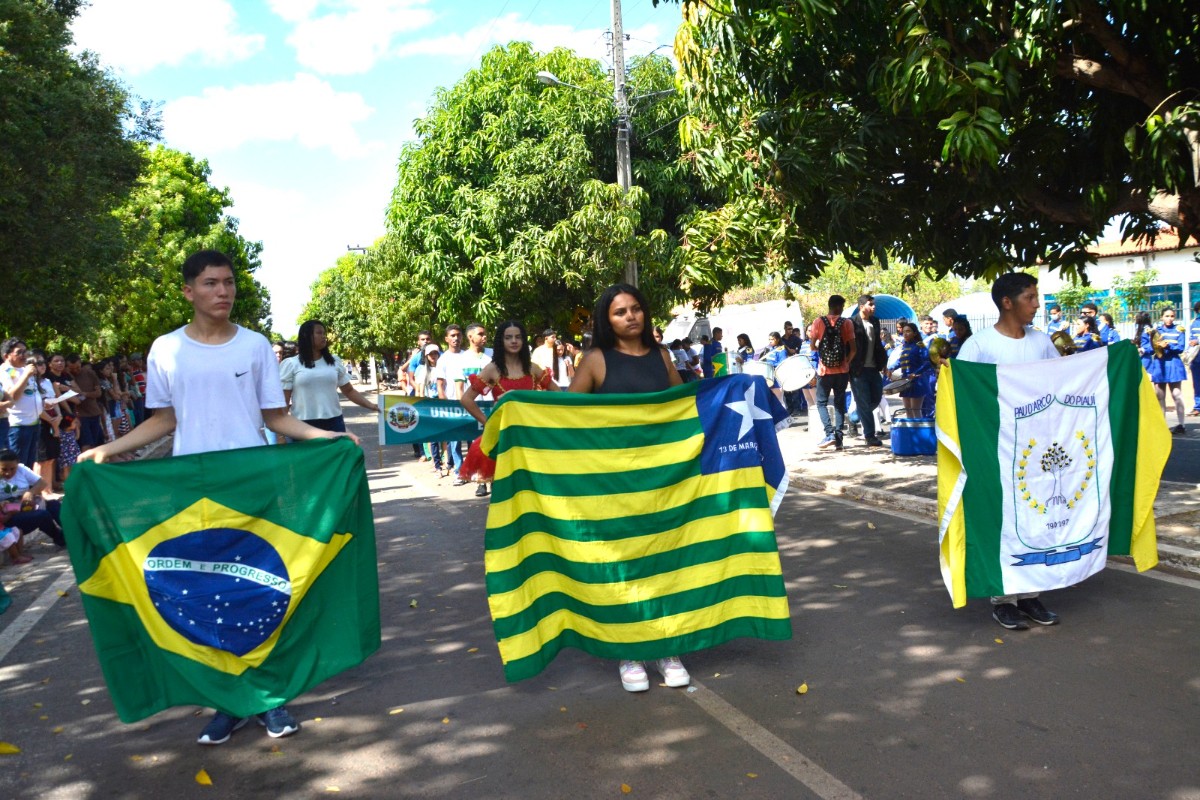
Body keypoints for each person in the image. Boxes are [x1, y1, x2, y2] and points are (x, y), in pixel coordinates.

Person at [77, 249, 360, 746]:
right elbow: (163, 420)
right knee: (207, 600)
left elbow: (275, 416)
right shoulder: (165, 349)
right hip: (192, 496)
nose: (222, 291)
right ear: (189, 291)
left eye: (228, 283)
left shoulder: (253, 347)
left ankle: (270, 698)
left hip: (254, 490)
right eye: (210, 283)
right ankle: (226, 704)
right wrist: (108, 449)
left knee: (263, 592)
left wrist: (326, 439)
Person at [570, 283, 691, 693]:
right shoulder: (595, 361)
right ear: (607, 320)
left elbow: (683, 407)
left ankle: (667, 648)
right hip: (613, 485)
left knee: (663, 562)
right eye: (620, 312)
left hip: (662, 481)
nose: (631, 317)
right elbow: (567, 420)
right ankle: (629, 652)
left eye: (636, 309)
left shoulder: (662, 356)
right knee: (625, 565)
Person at [957, 272, 1061, 631]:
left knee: (1037, 516)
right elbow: (963, 396)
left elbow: (1059, 384)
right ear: (1007, 302)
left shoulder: (1042, 342)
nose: (1037, 304)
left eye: (1036, 296)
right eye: (1030, 297)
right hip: (996, 448)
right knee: (1003, 519)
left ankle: (1031, 593)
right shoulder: (979, 345)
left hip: (1038, 448)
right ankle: (1003, 598)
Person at [458, 321, 556, 497]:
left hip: (531, 435)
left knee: (533, 489)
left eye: (518, 337)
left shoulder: (533, 368)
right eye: (508, 337)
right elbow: (466, 399)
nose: (514, 341)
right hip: (504, 436)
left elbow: (557, 393)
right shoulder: (492, 369)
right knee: (504, 490)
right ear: (500, 341)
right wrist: (488, 422)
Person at [280, 320, 379, 433]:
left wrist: (371, 405)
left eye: (324, 333)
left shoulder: (334, 361)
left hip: (334, 423)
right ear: (306, 336)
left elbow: (349, 390)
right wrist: (281, 434)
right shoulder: (291, 364)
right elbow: (284, 400)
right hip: (302, 425)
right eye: (319, 333)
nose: (324, 337)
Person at [807, 296, 857, 451]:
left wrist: (819, 348)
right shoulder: (847, 323)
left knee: (821, 403)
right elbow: (853, 349)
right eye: (842, 306)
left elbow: (813, 347)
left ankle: (829, 434)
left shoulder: (818, 322)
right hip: (842, 371)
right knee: (839, 403)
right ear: (837, 307)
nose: (842, 309)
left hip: (824, 371)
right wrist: (846, 362)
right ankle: (839, 438)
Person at [0, 448, 66, 551]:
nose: (8, 473)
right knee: (42, 515)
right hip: (7, 518)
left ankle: (73, 533)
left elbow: (42, 483)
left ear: (17, 464)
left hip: (25, 507)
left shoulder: (21, 469)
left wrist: (31, 492)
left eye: (12, 469)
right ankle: (59, 538)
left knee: (54, 505)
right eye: (4, 469)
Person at [849, 294, 886, 446]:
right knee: (863, 402)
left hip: (874, 368)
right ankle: (870, 436)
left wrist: (883, 363)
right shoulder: (851, 323)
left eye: (874, 304)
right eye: (870, 304)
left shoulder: (875, 322)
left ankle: (853, 417)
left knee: (876, 398)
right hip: (858, 369)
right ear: (861, 306)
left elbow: (878, 345)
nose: (873, 307)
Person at [1, 339, 41, 467]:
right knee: (18, 466)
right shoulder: (4, 371)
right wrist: (26, 375)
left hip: (34, 423)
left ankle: (27, 488)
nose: (24, 355)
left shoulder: (25, 369)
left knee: (29, 466)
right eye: (19, 352)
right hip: (18, 426)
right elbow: (12, 397)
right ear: (6, 355)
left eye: (25, 352)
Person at [1148, 307, 1187, 435]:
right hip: (1159, 364)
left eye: (1172, 316)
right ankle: (1162, 425)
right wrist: (1156, 346)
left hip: (1174, 364)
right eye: (1166, 316)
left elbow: (1181, 347)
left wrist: (1168, 345)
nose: (1169, 318)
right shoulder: (1156, 331)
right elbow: (1150, 348)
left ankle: (1181, 425)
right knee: (1160, 396)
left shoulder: (1179, 330)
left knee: (1177, 395)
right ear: (1161, 317)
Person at [893, 323, 932, 418]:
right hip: (905, 381)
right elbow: (901, 361)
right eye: (904, 331)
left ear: (914, 333)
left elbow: (928, 362)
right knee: (908, 411)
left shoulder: (919, 345)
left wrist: (916, 373)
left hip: (917, 381)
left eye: (908, 331)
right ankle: (911, 432)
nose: (905, 334)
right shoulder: (905, 346)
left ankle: (919, 432)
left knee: (915, 410)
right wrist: (890, 368)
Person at [1189, 301, 1200, 417]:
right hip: (1196, 357)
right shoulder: (1194, 323)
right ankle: (1198, 406)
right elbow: (1191, 338)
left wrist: (1198, 341)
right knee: (1197, 383)